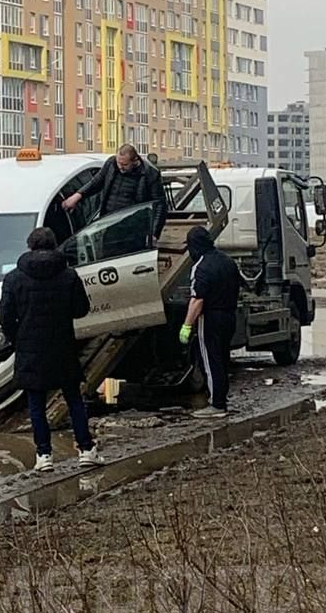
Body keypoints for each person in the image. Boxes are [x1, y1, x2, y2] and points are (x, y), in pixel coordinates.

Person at [0, 227, 102, 472]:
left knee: (36, 404)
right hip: (63, 346)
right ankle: (86, 450)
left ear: (29, 246)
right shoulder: (68, 276)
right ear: (55, 245)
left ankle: (43, 455)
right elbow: (81, 310)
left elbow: (5, 316)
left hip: (30, 348)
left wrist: (18, 339)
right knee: (74, 399)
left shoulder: (14, 278)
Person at [179, 225, 241, 415]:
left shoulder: (201, 266)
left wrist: (187, 326)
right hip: (230, 316)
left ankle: (216, 405)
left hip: (211, 318)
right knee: (222, 359)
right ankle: (221, 399)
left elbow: (197, 300)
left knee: (211, 360)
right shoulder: (227, 261)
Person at [62, 143, 167, 237]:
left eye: (125, 165)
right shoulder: (111, 164)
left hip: (133, 228)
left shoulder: (149, 174)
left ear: (135, 161)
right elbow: (96, 182)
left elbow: (160, 204)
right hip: (109, 223)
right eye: (119, 163)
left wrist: (154, 233)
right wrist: (78, 195)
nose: (121, 167)